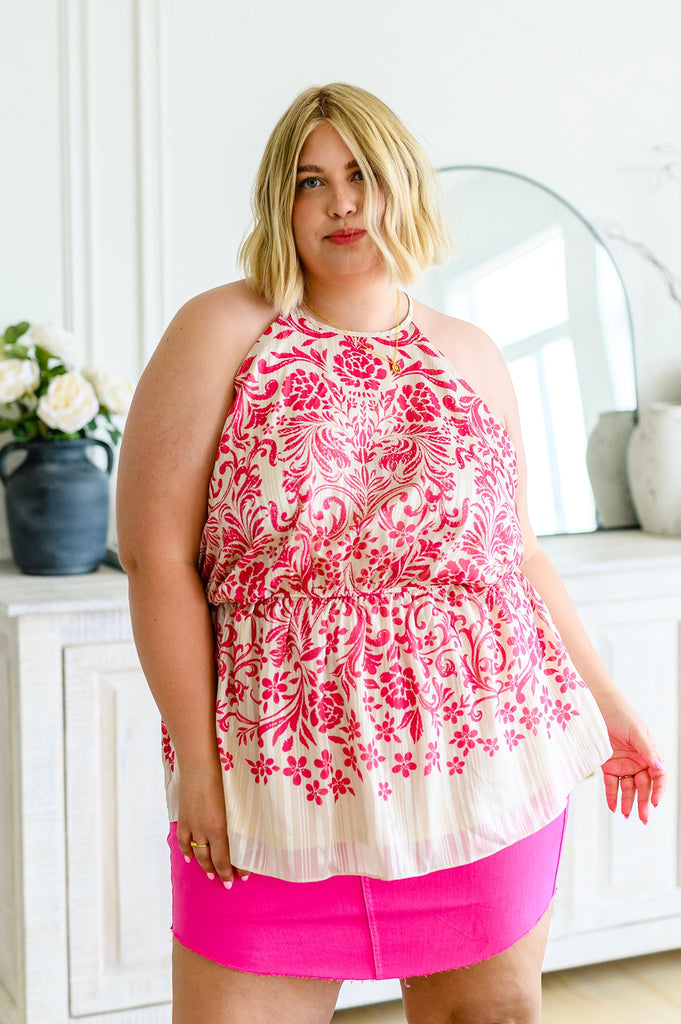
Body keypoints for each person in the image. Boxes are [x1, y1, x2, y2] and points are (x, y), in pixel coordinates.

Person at [116, 83, 667, 1024]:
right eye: (310, 180)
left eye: (362, 174)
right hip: (272, 782)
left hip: (480, 762)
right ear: (280, 202)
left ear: (402, 186)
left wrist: (609, 704)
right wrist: (199, 771)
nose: (341, 203)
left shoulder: (471, 353)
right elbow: (155, 557)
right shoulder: (223, 331)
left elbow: (517, 556)